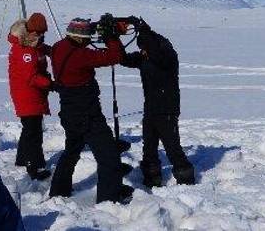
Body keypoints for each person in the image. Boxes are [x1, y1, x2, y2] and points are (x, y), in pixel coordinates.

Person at [48, 16, 134, 203]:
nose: (89, 40)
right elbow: (115, 57)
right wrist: (111, 37)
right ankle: (109, 199)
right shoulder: (81, 55)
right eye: (87, 36)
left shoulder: (58, 47)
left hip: (69, 112)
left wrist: (95, 28)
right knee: (108, 155)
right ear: (79, 37)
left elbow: (81, 44)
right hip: (87, 115)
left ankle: (58, 191)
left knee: (71, 152)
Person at [119, 21, 196, 188]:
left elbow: (157, 56)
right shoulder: (146, 56)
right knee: (149, 147)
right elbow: (123, 58)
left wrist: (146, 33)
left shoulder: (167, 55)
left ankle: (187, 181)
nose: (142, 52)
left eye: (144, 47)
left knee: (172, 147)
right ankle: (151, 180)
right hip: (151, 108)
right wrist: (113, 38)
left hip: (167, 109)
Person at [6, 13, 53, 180]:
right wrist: (51, 84)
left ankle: (22, 159)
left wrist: (55, 51)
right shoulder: (24, 50)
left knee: (29, 129)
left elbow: (43, 49)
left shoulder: (33, 44)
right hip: (26, 94)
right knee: (33, 132)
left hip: (30, 93)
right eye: (39, 34)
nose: (41, 37)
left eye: (43, 34)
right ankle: (34, 166)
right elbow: (31, 77)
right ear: (30, 31)